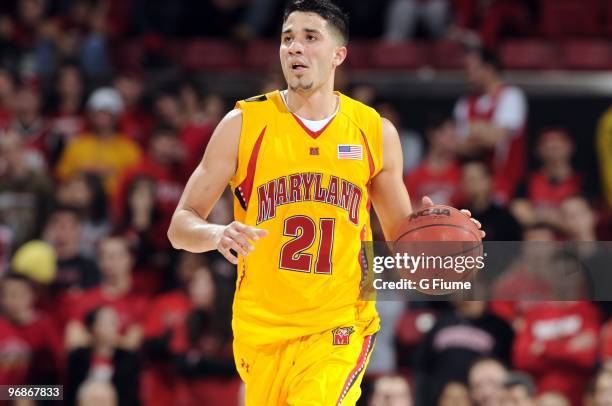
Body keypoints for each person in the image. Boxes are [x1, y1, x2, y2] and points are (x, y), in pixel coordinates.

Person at [167, 0, 483, 404]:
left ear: (338, 54)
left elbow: (403, 243)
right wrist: (216, 233)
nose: (295, 48)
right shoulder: (243, 124)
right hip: (260, 330)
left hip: (339, 325)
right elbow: (180, 227)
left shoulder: (373, 131)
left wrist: (445, 243)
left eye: (310, 37)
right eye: (287, 39)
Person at [454, 47, 527, 203]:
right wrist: (486, 131)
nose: (467, 74)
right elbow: (459, 146)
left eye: (471, 68)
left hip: (507, 183)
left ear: (488, 69)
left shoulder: (511, 96)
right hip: (471, 186)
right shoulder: (464, 103)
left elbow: (495, 138)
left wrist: (475, 131)